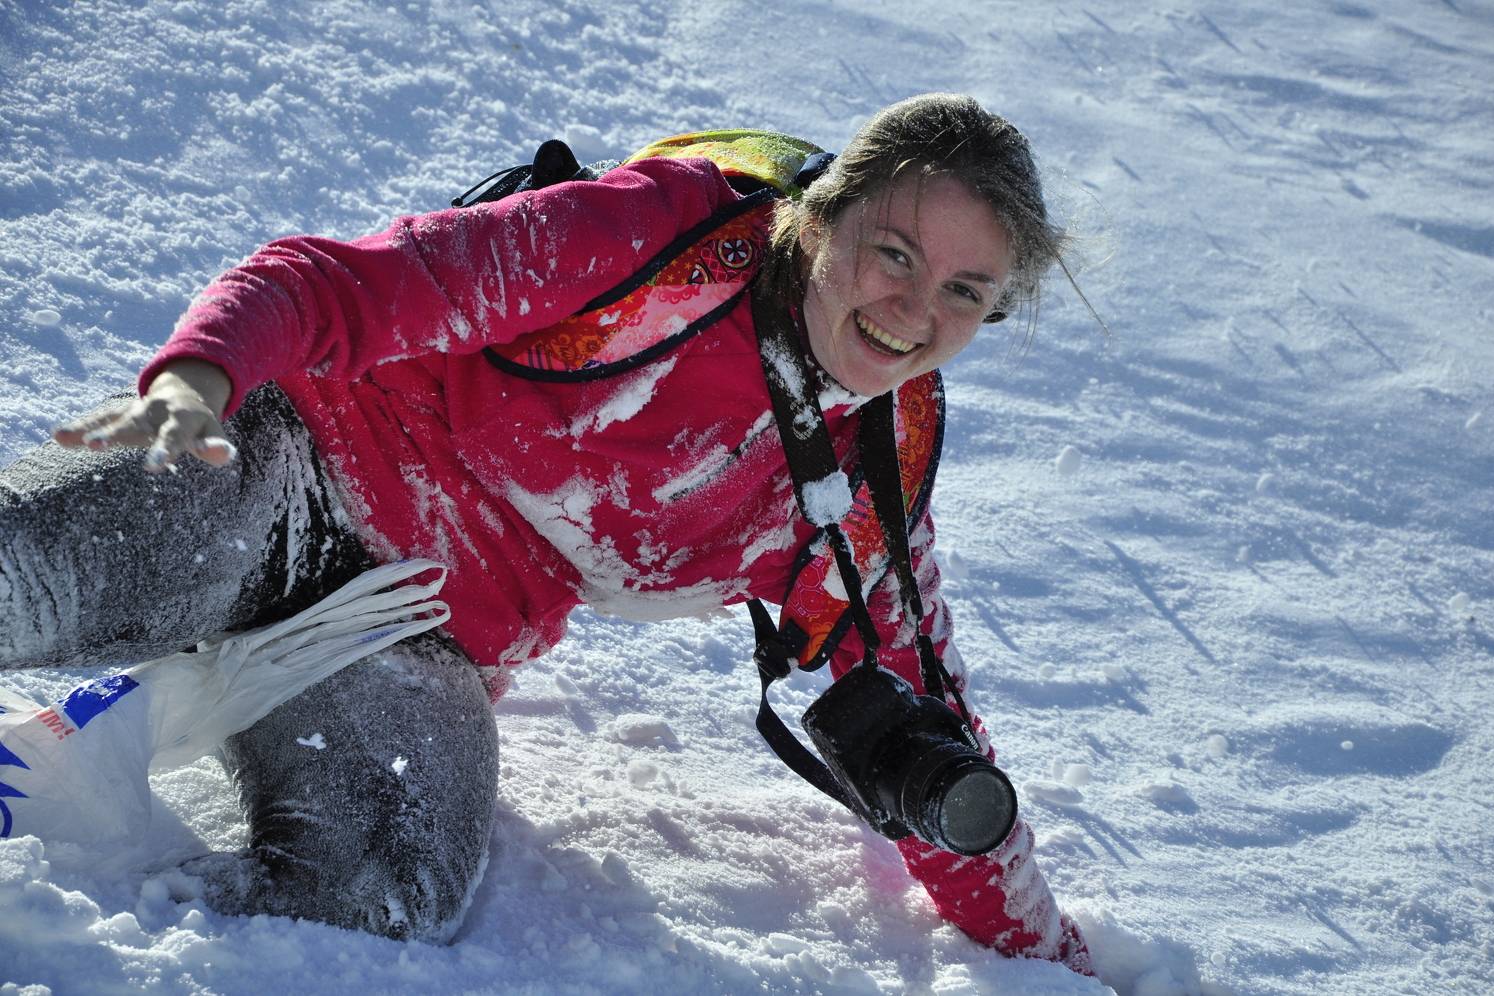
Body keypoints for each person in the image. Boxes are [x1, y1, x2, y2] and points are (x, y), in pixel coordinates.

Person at [0, 93, 1091, 972]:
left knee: (379, 901)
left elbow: (928, 736)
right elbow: (336, 283)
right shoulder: (660, 240)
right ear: (816, 217)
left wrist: (1062, 963)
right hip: (280, 470)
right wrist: (198, 380)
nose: (914, 312)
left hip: (412, 640)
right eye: (893, 253)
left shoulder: (869, 476)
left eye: (965, 291)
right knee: (19, 575)